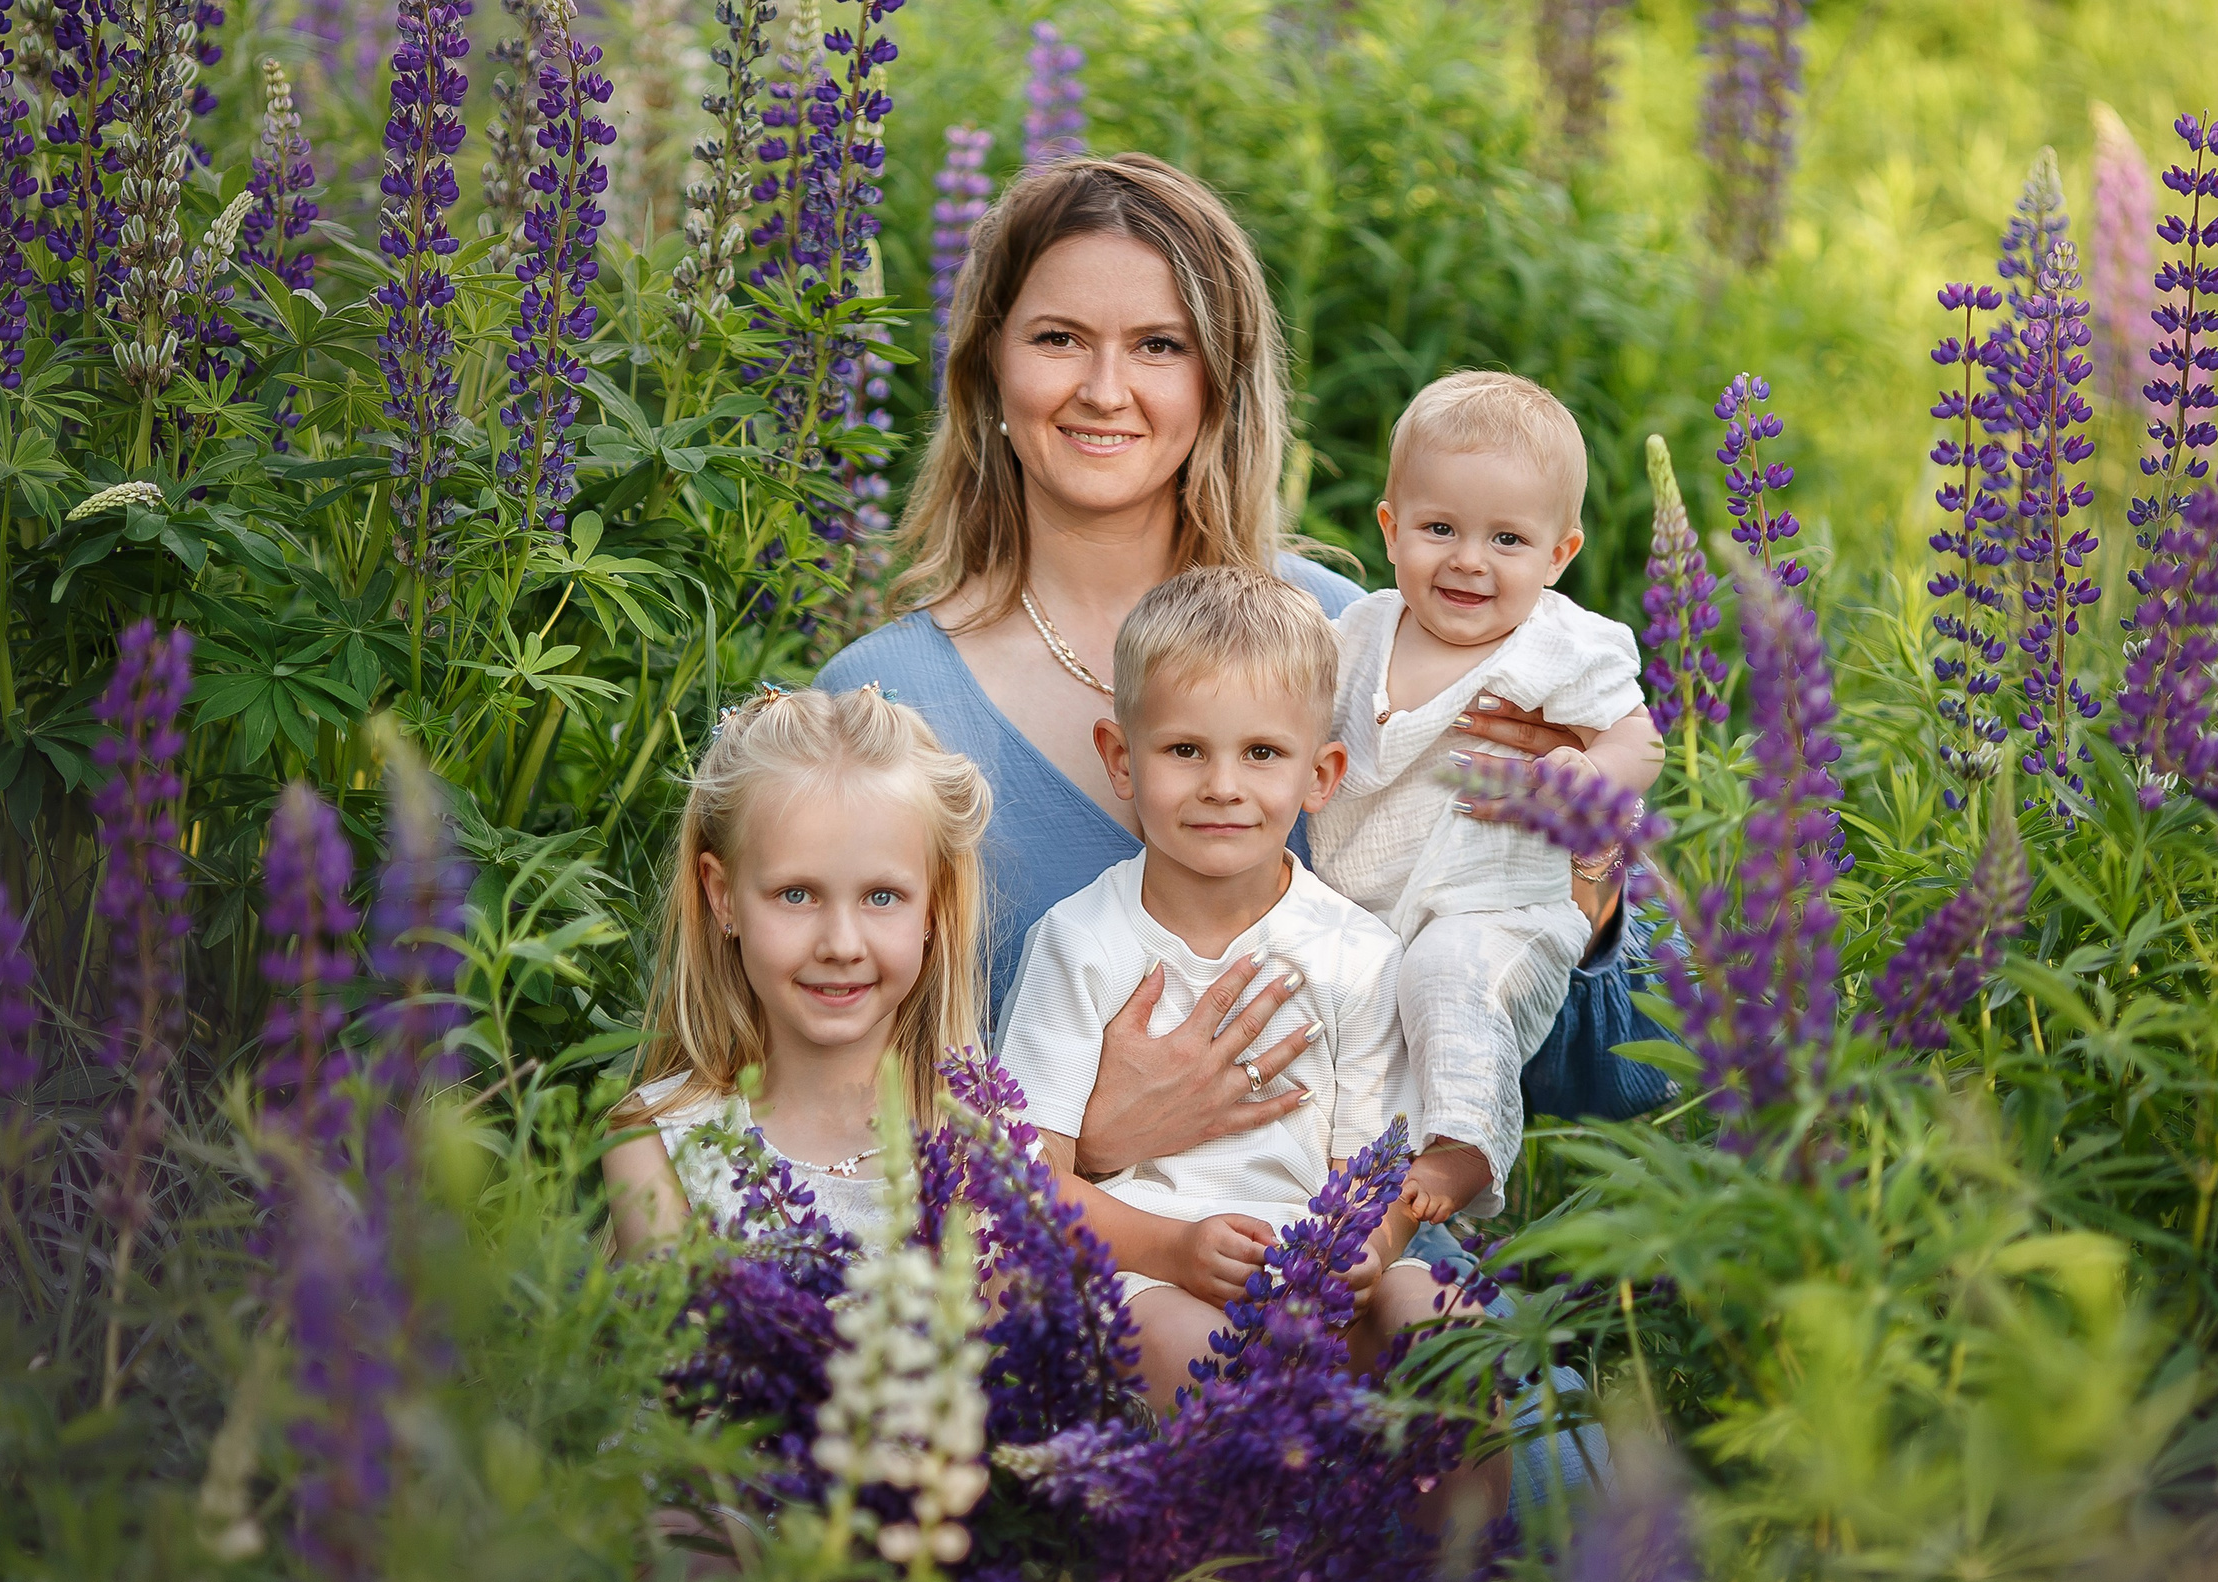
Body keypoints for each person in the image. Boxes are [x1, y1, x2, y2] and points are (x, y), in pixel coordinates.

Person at [813, 152, 1669, 1200]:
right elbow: (808, 1111)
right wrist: (1092, 1137)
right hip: (1045, 1317)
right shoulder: (881, 707)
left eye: (1158, 346)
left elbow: (1609, 1075)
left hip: (1368, 1281)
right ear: (987, 367)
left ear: (1219, 378)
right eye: (1057, 338)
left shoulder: (1367, 641)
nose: (1103, 388)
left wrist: (1580, 880)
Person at [994, 569, 1461, 1403]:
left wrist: (1368, 1249)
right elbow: (1032, 1178)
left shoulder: (1356, 953)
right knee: (1201, 1352)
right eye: (1184, 750)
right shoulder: (1081, 942)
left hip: (1314, 1273)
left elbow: (1375, 1166)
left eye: (1262, 753)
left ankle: (1451, 1535)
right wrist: (1171, 1250)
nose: (1222, 785)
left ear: (1320, 775)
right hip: (1148, 1272)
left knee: (1442, 1322)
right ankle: (1249, 1526)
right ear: (1121, 759)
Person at [1312, 372, 1660, 1229]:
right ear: (1390, 530)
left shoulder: (1561, 644)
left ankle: (1464, 1151)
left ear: (1559, 555)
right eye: (1440, 528)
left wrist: (1593, 771)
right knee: (1345, 1024)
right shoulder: (1353, 637)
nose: (1469, 559)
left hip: (1504, 905)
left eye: (1508, 539)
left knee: (1451, 981)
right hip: (1367, 903)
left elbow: (1642, 738)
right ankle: (1357, 1201)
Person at [602, 685, 992, 1256]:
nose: (841, 944)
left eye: (882, 897)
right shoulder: (657, 1145)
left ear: (935, 905)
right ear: (723, 896)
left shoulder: (979, 1144)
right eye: (796, 894)